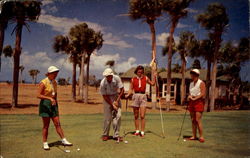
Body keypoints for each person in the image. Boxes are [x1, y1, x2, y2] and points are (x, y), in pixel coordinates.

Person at [37, 66, 72, 150]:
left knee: (57, 123)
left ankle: (63, 140)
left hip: (53, 105)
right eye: (54, 73)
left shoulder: (55, 82)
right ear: (49, 74)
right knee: (46, 125)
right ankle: (45, 143)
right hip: (45, 105)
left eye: (56, 73)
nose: (55, 75)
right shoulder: (43, 82)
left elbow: (55, 94)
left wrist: (55, 104)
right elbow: (38, 95)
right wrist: (49, 98)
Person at [125, 65, 156, 137]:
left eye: (141, 72)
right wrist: (128, 95)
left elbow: (153, 84)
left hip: (143, 96)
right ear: (136, 72)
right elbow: (130, 89)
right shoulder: (133, 79)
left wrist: (154, 76)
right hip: (135, 96)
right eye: (139, 72)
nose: (140, 73)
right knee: (136, 116)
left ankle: (142, 132)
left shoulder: (145, 78)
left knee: (142, 116)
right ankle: (137, 130)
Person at [100, 68, 124, 141]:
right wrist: (112, 104)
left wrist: (117, 101)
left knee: (118, 116)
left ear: (112, 75)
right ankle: (105, 134)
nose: (107, 77)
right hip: (107, 98)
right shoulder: (102, 83)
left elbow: (122, 90)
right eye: (106, 76)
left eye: (109, 76)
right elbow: (104, 95)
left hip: (116, 96)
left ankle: (116, 135)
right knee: (108, 118)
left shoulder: (117, 78)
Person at [188, 69, 206, 143]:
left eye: (194, 74)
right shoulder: (191, 84)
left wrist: (195, 98)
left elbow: (202, 93)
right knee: (193, 120)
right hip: (192, 102)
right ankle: (194, 136)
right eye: (191, 74)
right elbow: (191, 93)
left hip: (199, 102)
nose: (192, 75)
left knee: (198, 120)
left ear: (197, 75)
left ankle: (201, 136)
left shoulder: (201, 83)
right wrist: (189, 97)